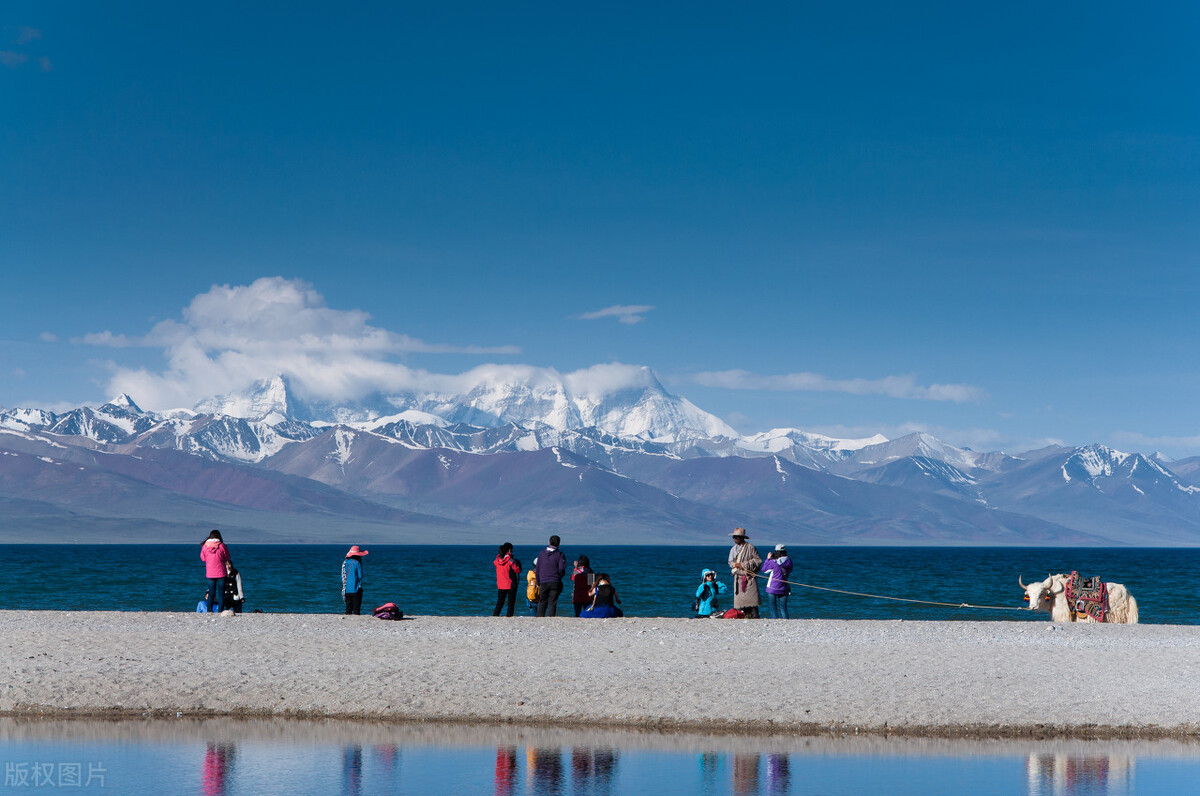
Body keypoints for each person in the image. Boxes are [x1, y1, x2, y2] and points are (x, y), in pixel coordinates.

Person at [727, 528, 762, 618]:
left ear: (742, 538)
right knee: (740, 602)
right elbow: (730, 562)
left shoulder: (750, 548)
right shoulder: (733, 549)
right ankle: (742, 616)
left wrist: (744, 564)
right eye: (734, 537)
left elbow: (758, 561)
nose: (734, 539)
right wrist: (735, 564)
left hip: (749, 577)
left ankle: (755, 617)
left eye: (736, 537)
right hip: (738, 578)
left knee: (752, 602)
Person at [534, 535, 566, 617]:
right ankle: (550, 618)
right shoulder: (559, 554)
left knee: (542, 602)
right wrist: (559, 576)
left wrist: (538, 581)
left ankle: (540, 618)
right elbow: (561, 568)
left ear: (549, 542)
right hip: (555, 581)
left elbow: (537, 568)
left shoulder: (541, 553)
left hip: (543, 581)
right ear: (558, 544)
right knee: (552, 602)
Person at [200, 530, 231, 614]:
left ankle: (209, 611)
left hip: (210, 573)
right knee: (221, 594)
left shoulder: (205, 546)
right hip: (221, 572)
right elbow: (227, 556)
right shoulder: (222, 546)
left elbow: (203, 558)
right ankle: (221, 611)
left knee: (211, 593)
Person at [761, 544, 793, 619]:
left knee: (773, 607)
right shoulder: (789, 561)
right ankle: (786, 622)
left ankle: (775, 622)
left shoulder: (773, 562)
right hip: (784, 587)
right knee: (783, 608)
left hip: (772, 587)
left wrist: (768, 559)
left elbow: (764, 570)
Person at [493, 542, 522, 617]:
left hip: (501, 584)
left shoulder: (496, 561)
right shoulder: (510, 561)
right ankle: (509, 617)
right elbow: (517, 570)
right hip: (511, 584)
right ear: (509, 550)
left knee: (499, 603)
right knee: (511, 603)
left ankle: (495, 616)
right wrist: (518, 564)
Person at [342, 545, 368, 615]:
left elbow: (344, 574)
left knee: (348, 608)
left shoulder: (346, 562)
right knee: (356, 608)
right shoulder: (357, 563)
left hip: (347, 588)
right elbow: (360, 576)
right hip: (356, 587)